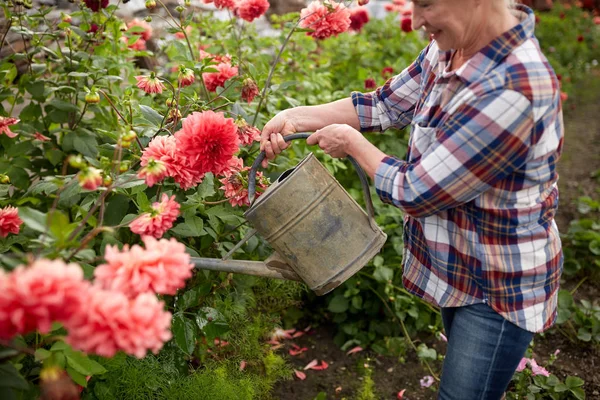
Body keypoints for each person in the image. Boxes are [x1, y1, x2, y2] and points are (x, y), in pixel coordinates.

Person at [260, 0, 564, 398]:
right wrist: (296, 116)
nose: (416, 20)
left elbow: (417, 191)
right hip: (462, 270)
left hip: (498, 288)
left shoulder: (516, 87)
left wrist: (351, 143)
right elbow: (384, 104)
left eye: (426, 4)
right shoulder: (452, 47)